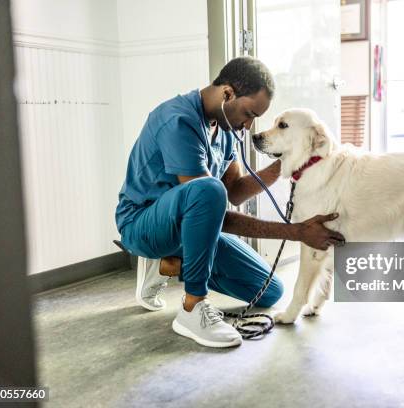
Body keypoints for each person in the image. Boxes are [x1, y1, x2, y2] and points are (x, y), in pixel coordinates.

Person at [115, 56, 344, 348]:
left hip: (186, 229)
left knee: (269, 292)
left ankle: (167, 265)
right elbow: (214, 204)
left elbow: (234, 191)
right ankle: (192, 307)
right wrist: (296, 232)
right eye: (248, 114)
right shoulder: (178, 121)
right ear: (227, 94)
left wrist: (286, 164)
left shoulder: (225, 130)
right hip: (142, 225)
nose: (248, 126)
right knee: (208, 190)